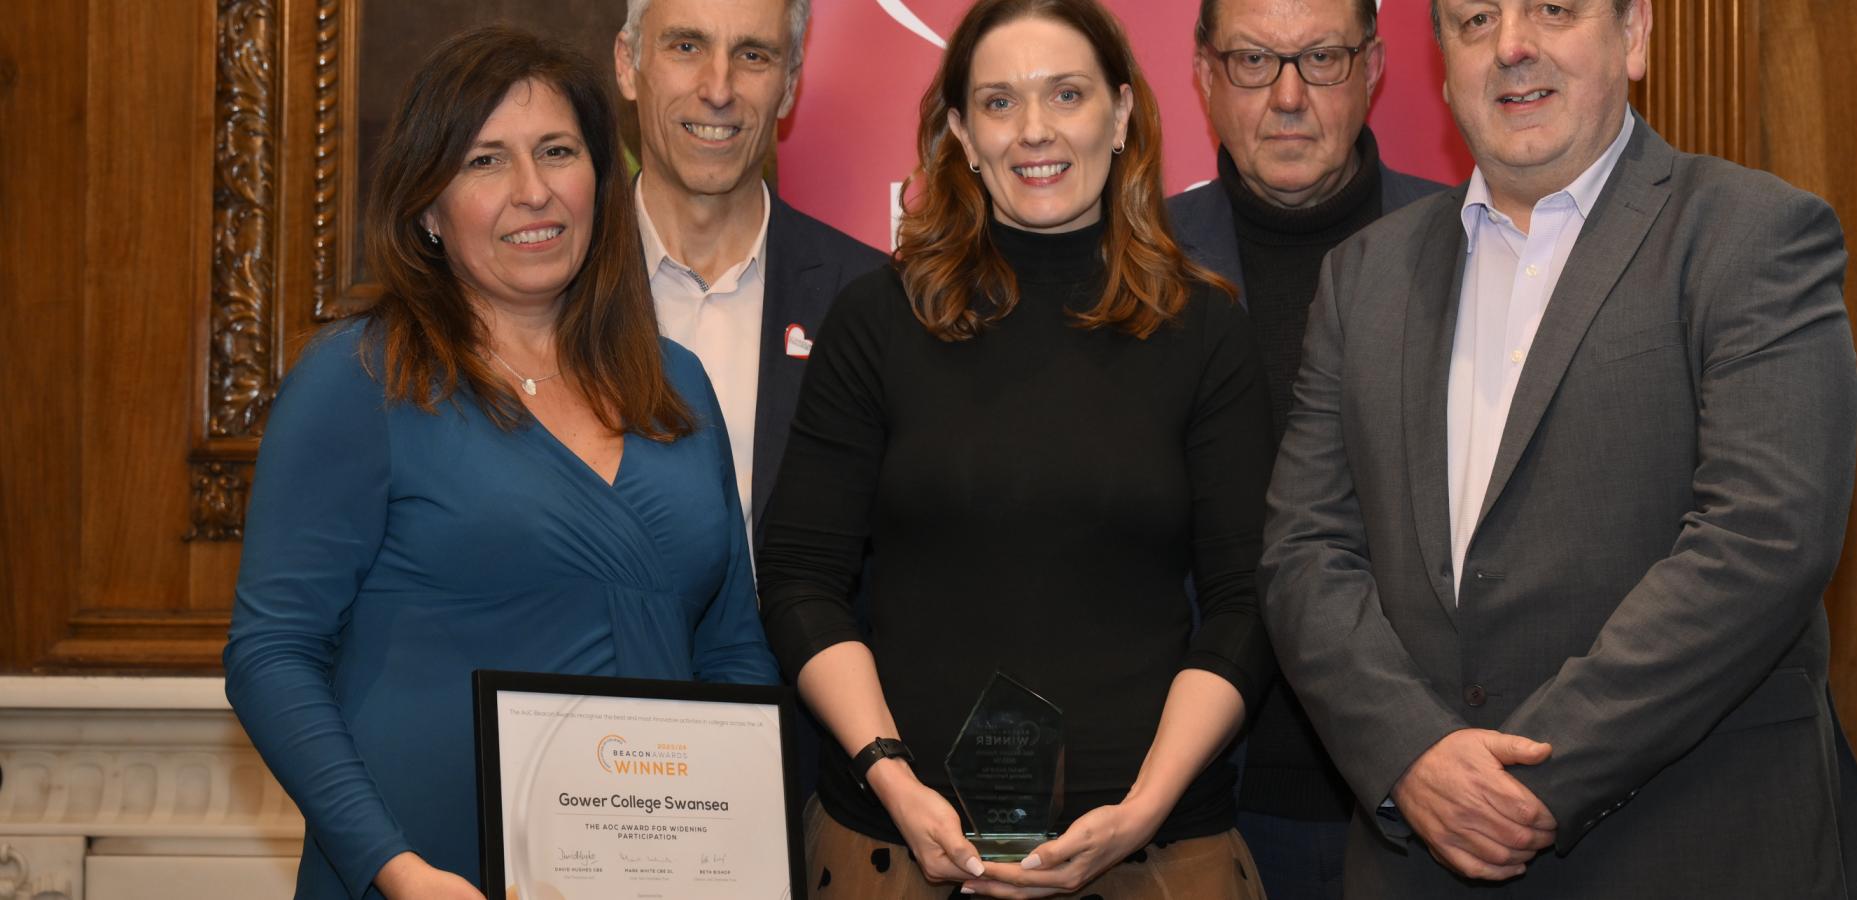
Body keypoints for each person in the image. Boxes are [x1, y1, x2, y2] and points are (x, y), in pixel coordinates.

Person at [1259, 0, 1857, 896]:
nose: (1512, 46)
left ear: (1633, 35)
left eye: (1554, 8)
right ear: (1442, 66)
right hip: (1422, 858)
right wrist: (1411, 752)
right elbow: (1304, 553)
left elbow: (1765, 538)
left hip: (1691, 851)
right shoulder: (1362, 277)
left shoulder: (1753, 234)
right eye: (1475, 20)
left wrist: (1530, 780)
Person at [223, 28, 777, 900]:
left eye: (557, 151)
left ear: (600, 176)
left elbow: (734, 649)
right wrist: (395, 870)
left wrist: (737, 861)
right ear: (427, 208)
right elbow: (272, 654)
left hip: (654, 878)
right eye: (485, 161)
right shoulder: (357, 380)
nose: (533, 191)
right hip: (423, 878)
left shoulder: (677, 386)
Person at [755, 0, 1275, 896]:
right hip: (899, 852)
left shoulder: (1204, 330)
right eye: (999, 102)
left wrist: (1144, 809)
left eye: (1066, 94)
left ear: (1121, 113)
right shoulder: (877, 321)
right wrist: (891, 776)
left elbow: (1249, 601)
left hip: (1151, 858)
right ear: (962, 132)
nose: (1034, 130)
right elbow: (801, 578)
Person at [1167, 0, 1442, 894]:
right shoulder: (1135, 261)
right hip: (1197, 805)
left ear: (1375, 67)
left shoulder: (1471, 243)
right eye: (1254, 61)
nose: (1288, 97)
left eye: (1321, 57)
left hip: (1429, 792)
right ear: (1204, 74)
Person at [614, 0, 886, 551]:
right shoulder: (550, 285)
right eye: (686, 46)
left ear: (789, 85)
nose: (718, 89)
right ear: (627, 63)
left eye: (753, 55)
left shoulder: (873, 299)